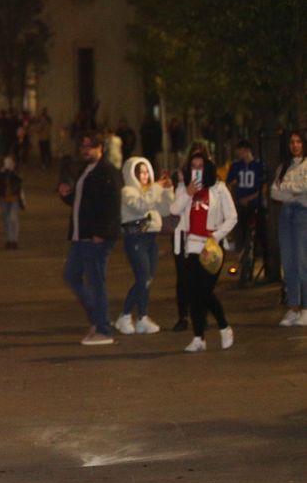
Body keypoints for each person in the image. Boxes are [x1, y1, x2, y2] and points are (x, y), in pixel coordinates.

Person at [58, 132, 123, 345]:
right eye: (83, 146)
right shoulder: (86, 170)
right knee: (71, 275)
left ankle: (103, 328)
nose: (85, 150)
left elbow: (112, 204)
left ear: (100, 148)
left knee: (96, 281)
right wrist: (67, 195)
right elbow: (81, 201)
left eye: (89, 146)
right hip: (80, 235)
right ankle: (98, 318)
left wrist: (102, 232)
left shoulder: (106, 171)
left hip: (94, 237)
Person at [170, 151, 237, 352]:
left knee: (205, 291)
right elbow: (174, 210)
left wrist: (216, 235)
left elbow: (232, 217)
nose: (197, 170)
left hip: (211, 247)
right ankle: (199, 338)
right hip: (191, 246)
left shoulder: (219, 188)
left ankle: (224, 326)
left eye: (200, 166)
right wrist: (188, 192)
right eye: (194, 166)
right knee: (193, 293)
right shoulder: (184, 188)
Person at [114, 156, 174, 335]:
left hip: (151, 239)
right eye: (140, 172)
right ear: (132, 173)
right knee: (142, 278)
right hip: (136, 239)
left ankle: (142, 317)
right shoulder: (128, 192)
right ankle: (124, 315)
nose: (145, 175)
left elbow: (165, 209)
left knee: (147, 279)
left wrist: (167, 190)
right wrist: (156, 188)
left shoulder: (151, 191)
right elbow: (142, 206)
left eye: (147, 171)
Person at [270, 130, 307, 326]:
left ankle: (306, 308)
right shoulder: (283, 166)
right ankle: (293, 307)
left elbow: (304, 187)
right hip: (286, 215)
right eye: (292, 142)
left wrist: (288, 188)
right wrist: (292, 189)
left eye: (298, 142)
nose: (295, 145)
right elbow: (274, 192)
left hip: (302, 213)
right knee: (289, 262)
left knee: (303, 262)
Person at [226, 140, 267, 284]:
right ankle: (244, 267)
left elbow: (263, 187)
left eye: (240, 150)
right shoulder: (236, 166)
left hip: (254, 206)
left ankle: (248, 269)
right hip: (240, 207)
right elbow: (229, 184)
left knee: (252, 238)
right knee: (242, 238)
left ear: (246, 150)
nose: (238, 154)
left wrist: (250, 198)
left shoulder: (258, 165)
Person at [0, 155, 24, 249]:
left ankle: (14, 240)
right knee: (6, 220)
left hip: (14, 198)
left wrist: (12, 171)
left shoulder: (16, 172)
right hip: (3, 199)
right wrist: (2, 173)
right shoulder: (1, 172)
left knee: (13, 219)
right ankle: (9, 240)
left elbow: (20, 180)